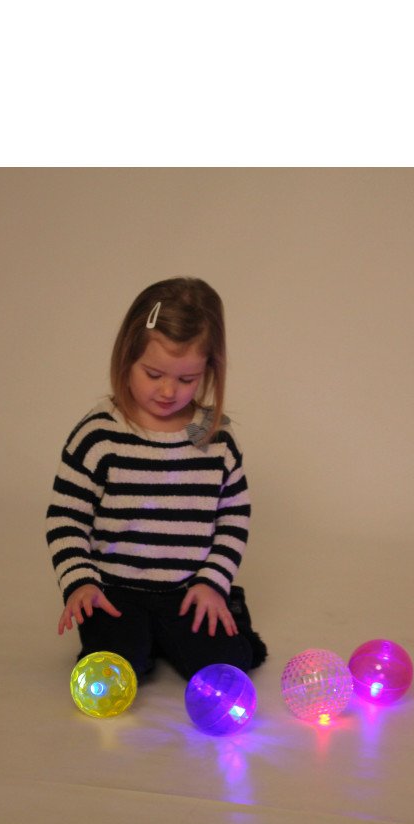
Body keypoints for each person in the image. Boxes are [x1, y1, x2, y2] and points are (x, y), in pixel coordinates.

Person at [45, 277, 266, 684]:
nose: (168, 391)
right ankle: (140, 640)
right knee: (112, 665)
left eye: (186, 379)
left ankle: (223, 609)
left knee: (229, 665)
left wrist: (213, 582)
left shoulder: (211, 436)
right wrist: (80, 582)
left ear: (208, 371)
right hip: (115, 592)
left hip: (188, 591)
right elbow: (66, 518)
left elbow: (234, 518)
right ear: (127, 359)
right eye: (153, 374)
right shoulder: (100, 433)